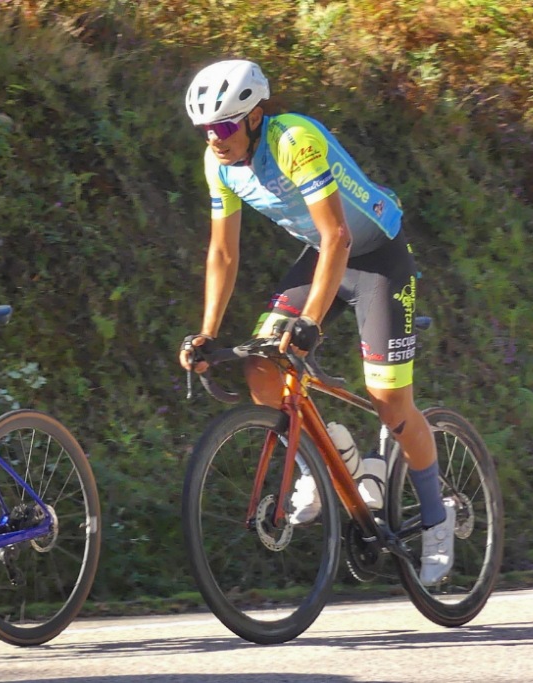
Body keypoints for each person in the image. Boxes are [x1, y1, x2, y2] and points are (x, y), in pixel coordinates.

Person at [178, 59, 455, 586]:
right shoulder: (219, 164)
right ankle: (333, 460)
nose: (214, 138)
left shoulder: (293, 140)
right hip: (324, 258)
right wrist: (207, 332)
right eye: (206, 129)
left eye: (225, 126)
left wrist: (310, 321)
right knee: (262, 365)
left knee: (389, 401)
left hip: (376, 258)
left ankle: (437, 517)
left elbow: (338, 236)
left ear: (254, 116)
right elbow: (223, 253)